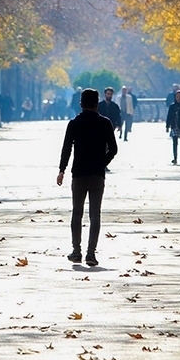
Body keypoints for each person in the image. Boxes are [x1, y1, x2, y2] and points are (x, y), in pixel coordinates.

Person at [57, 89, 118, 268]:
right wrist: (102, 163)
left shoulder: (74, 123)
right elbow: (113, 149)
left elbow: (66, 148)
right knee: (95, 214)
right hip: (97, 175)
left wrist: (62, 170)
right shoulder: (105, 123)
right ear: (96, 104)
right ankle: (91, 254)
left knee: (77, 213)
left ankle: (77, 252)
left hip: (79, 174)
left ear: (81, 104)